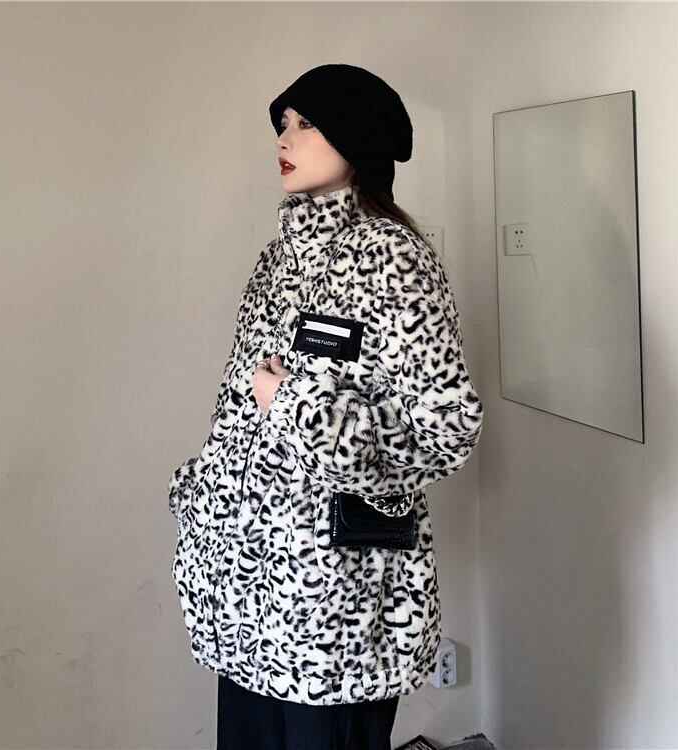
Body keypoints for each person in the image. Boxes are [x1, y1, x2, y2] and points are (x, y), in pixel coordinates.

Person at [168, 63, 484, 750]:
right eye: (283, 124)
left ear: (355, 136)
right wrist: (205, 489)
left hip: (332, 610)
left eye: (306, 123)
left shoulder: (394, 259)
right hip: (244, 589)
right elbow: (239, 412)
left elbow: (447, 431)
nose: (284, 139)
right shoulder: (275, 263)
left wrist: (300, 406)